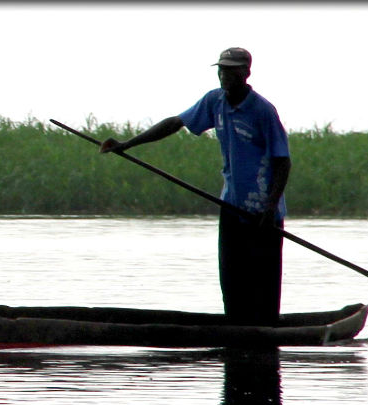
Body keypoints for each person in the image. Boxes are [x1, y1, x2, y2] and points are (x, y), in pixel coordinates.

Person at [100, 47, 291, 325]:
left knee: (263, 285)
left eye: (231, 69)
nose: (224, 75)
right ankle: (238, 332)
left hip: (262, 214)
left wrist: (270, 206)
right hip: (231, 206)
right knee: (232, 280)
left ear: (246, 73)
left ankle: (265, 333)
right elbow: (176, 123)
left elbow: (283, 162)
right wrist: (128, 145)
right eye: (221, 69)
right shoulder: (215, 102)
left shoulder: (262, 111)